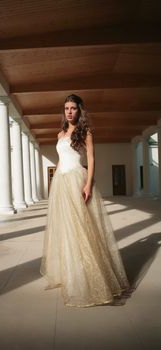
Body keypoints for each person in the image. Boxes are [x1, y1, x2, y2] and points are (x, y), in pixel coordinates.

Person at [40, 94, 132, 308]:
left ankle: (91, 276)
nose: (69, 111)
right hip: (61, 182)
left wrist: (88, 184)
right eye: (66, 108)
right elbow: (61, 158)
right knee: (66, 228)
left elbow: (90, 159)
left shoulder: (85, 132)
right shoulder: (60, 134)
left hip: (76, 180)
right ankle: (70, 273)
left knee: (82, 227)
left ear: (79, 111)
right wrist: (56, 180)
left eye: (73, 108)